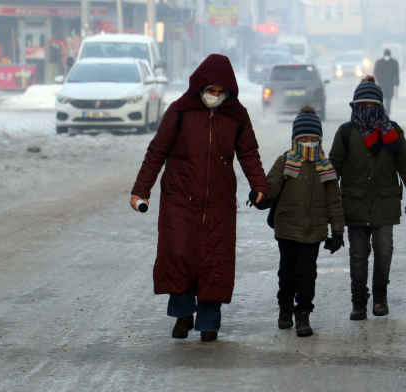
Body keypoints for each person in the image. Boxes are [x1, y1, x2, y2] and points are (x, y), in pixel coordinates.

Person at [130, 54, 269, 342]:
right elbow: (157, 151)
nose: (216, 97)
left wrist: (260, 186)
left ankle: (209, 323)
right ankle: (183, 316)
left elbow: (249, 154)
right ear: (200, 89)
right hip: (179, 199)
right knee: (179, 255)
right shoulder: (180, 110)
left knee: (214, 260)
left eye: (221, 92)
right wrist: (141, 190)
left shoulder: (237, 115)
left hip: (218, 202)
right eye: (211, 91)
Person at [329, 76, 406, 321]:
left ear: (380, 106)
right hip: (355, 203)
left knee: (384, 250)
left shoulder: (392, 131)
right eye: (364, 105)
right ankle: (358, 302)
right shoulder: (346, 132)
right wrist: (323, 202)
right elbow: (332, 170)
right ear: (356, 106)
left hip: (384, 202)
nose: (368, 110)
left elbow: (404, 164)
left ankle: (380, 296)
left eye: (373, 106)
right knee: (358, 255)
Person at [264, 105, 345, 337]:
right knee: (287, 273)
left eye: (313, 138)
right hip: (287, 229)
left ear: (319, 139)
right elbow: (271, 187)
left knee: (307, 274)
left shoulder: (326, 167)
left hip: (314, 232)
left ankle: (303, 314)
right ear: (295, 140)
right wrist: (261, 197)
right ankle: (285, 308)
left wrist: (337, 233)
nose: (308, 142)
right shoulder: (285, 161)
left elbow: (334, 203)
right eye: (303, 138)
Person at [373, 49, 400, 115]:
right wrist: (377, 78)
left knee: (389, 97)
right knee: (381, 96)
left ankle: (387, 111)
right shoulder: (379, 62)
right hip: (381, 82)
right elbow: (375, 71)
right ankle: (381, 110)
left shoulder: (394, 62)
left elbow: (396, 73)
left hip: (390, 82)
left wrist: (397, 82)